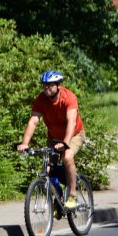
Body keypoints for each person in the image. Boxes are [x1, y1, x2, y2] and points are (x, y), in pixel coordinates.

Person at [17, 70, 86, 209]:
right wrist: (24, 144)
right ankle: (58, 197)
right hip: (54, 138)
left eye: (50, 85)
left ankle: (72, 195)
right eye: (44, 85)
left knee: (67, 157)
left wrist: (66, 143)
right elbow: (33, 122)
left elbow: (71, 122)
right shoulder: (41, 99)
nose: (46, 88)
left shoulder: (69, 97)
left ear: (59, 85)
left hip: (74, 135)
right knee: (47, 170)